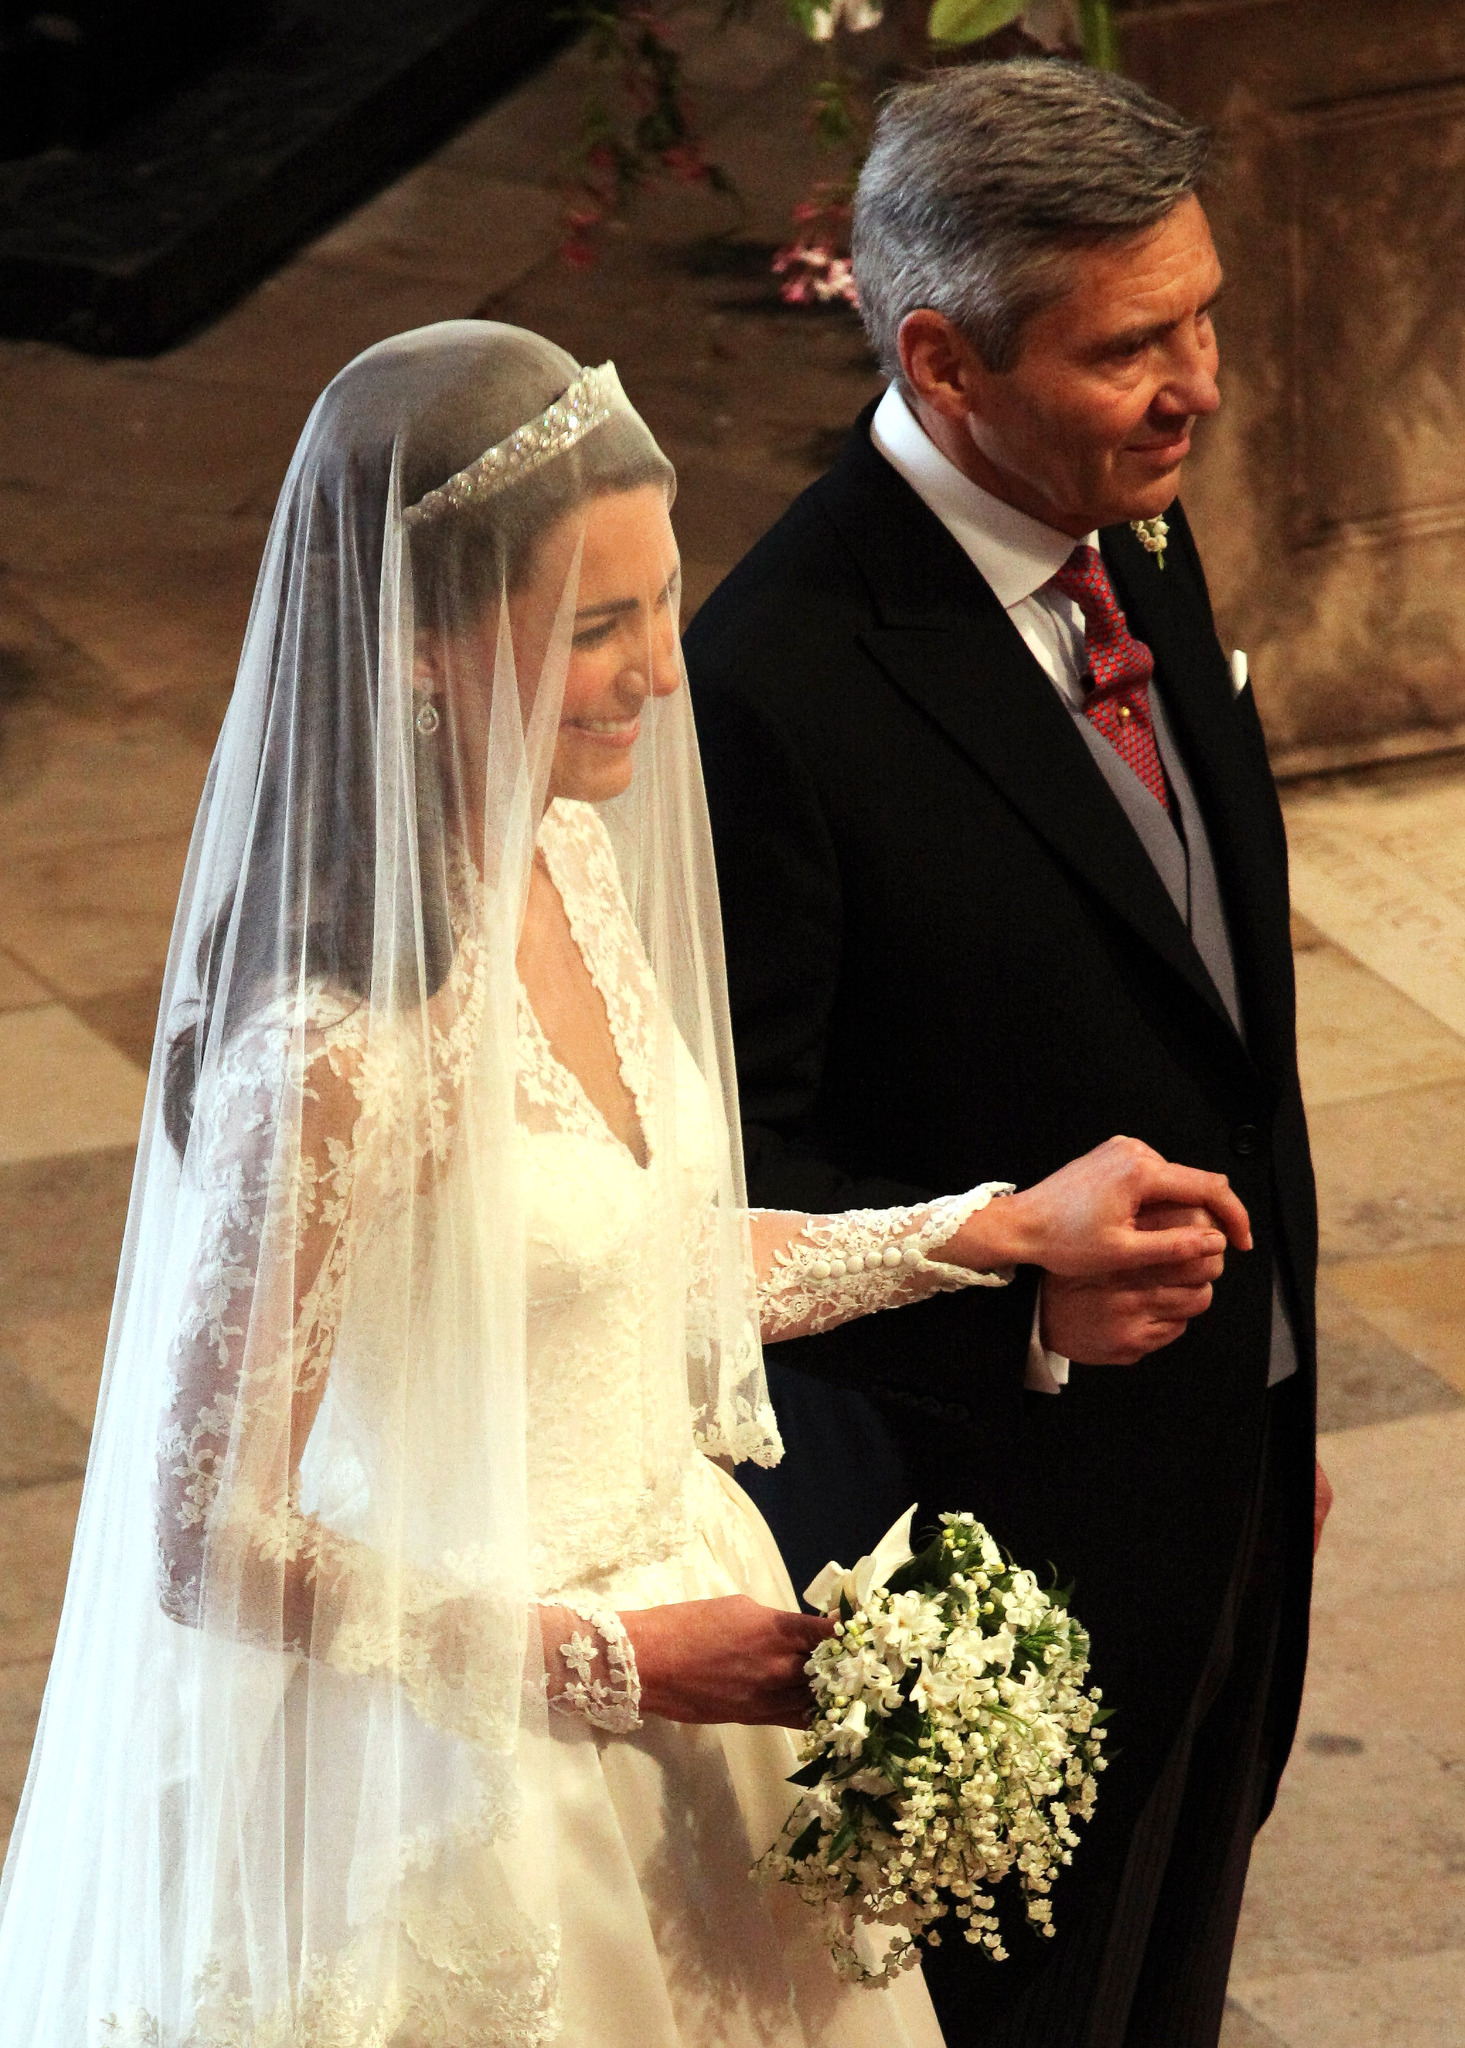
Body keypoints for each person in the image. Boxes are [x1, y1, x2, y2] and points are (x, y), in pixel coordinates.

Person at [0, 321, 1246, 2046]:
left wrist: (978, 1233)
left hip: (691, 1627)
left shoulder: (571, 861)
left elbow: (638, 1257)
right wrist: (611, 1660)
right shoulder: (331, 1053)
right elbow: (207, 1539)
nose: (663, 671)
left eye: (660, 601)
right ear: (422, 646)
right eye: (597, 626)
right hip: (460, 1751)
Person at [686, 58, 1326, 2048]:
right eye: (1132, 343)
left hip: (1228, 1464)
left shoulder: (1134, 529)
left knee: (1172, 1983)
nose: (1197, 382)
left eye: (1202, 314)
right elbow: (723, 1194)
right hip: (993, 1535)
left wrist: (1268, 1379)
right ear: (944, 357)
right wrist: (1022, 1319)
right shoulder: (774, 684)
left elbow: (1209, 1009)